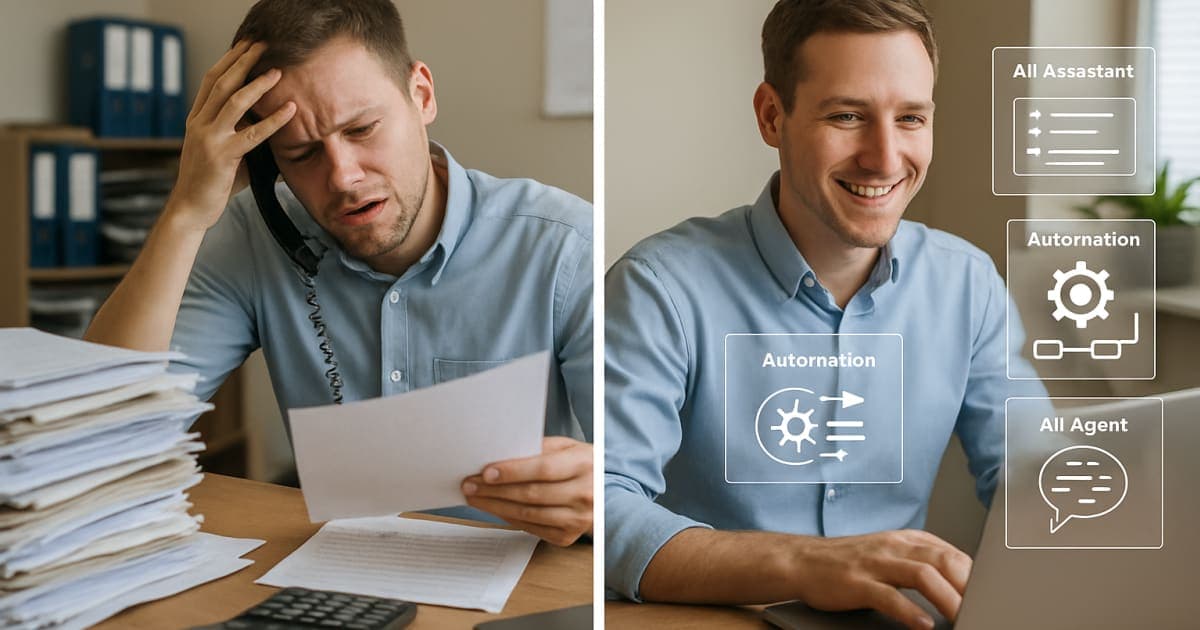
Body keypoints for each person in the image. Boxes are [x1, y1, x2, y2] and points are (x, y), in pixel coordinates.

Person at [84, 0, 593, 547]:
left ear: (421, 94)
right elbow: (101, 437)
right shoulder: (254, 236)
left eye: (362, 129)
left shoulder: (564, 248)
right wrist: (185, 213)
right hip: (340, 575)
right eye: (301, 153)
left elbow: (634, 485)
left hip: (524, 581)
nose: (343, 177)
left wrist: (598, 488)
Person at [604, 0, 1045, 626]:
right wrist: (803, 563)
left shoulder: (967, 284)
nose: (886, 158)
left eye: (911, 118)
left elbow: (1033, 476)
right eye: (847, 116)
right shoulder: (660, 287)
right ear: (771, 116)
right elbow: (606, 502)